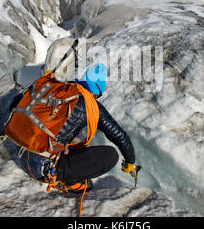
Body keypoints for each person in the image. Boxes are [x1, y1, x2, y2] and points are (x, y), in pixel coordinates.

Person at [17, 63, 136, 193]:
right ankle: (64, 180)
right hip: (41, 167)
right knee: (111, 155)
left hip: (23, 150)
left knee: (75, 138)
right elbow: (119, 136)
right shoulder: (91, 106)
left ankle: (58, 167)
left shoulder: (61, 87)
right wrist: (130, 162)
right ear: (97, 92)